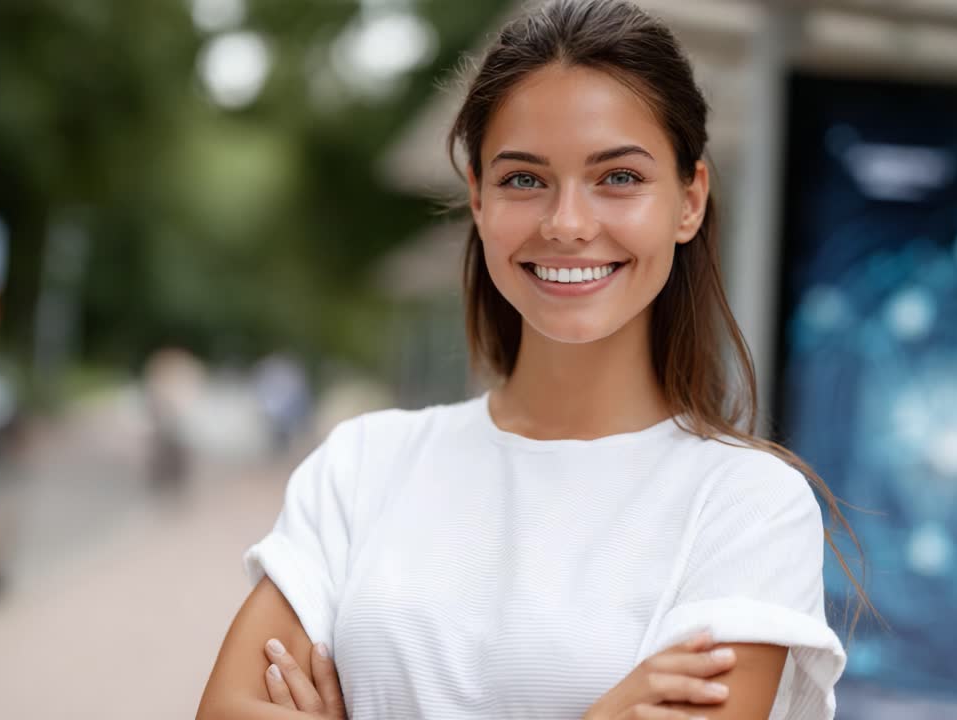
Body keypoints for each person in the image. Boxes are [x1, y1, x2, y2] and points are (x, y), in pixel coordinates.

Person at [197, 2, 869, 718]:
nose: (567, 224)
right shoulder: (362, 466)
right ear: (478, 198)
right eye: (524, 179)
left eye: (619, 177)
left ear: (689, 201)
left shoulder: (748, 506)